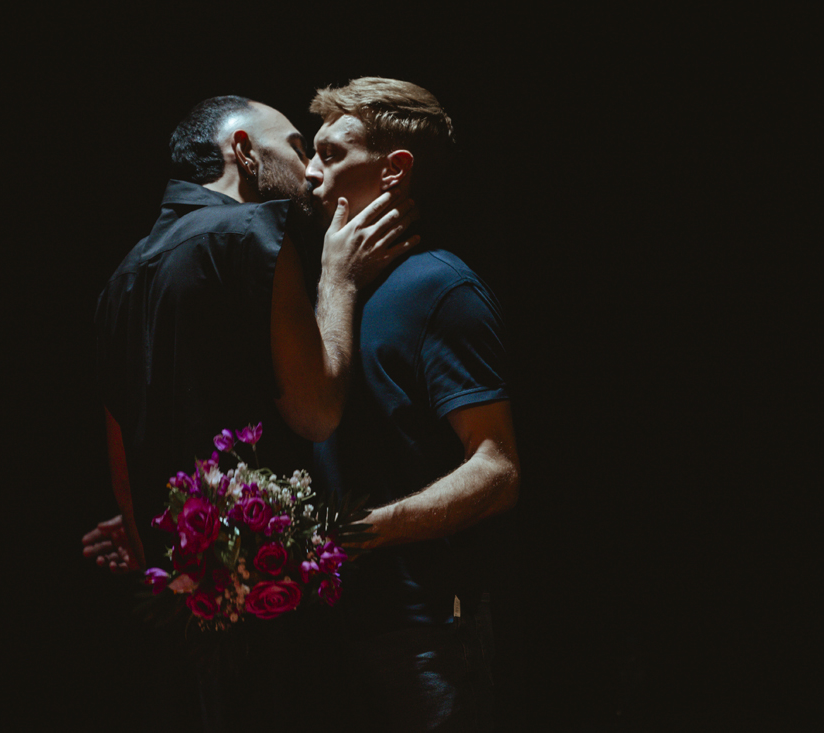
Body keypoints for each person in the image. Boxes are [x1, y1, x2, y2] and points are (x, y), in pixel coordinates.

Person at [83, 94, 418, 733]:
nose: (309, 167)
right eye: (295, 146)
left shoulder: (119, 282)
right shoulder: (250, 232)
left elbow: (124, 475)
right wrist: (339, 279)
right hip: (278, 615)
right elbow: (317, 413)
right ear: (243, 151)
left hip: (189, 616)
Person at [304, 77, 521, 731]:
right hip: (334, 626)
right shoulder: (334, 291)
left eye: (332, 153)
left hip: (423, 634)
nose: (310, 171)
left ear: (395, 169)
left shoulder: (440, 287)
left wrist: (363, 532)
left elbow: (498, 469)